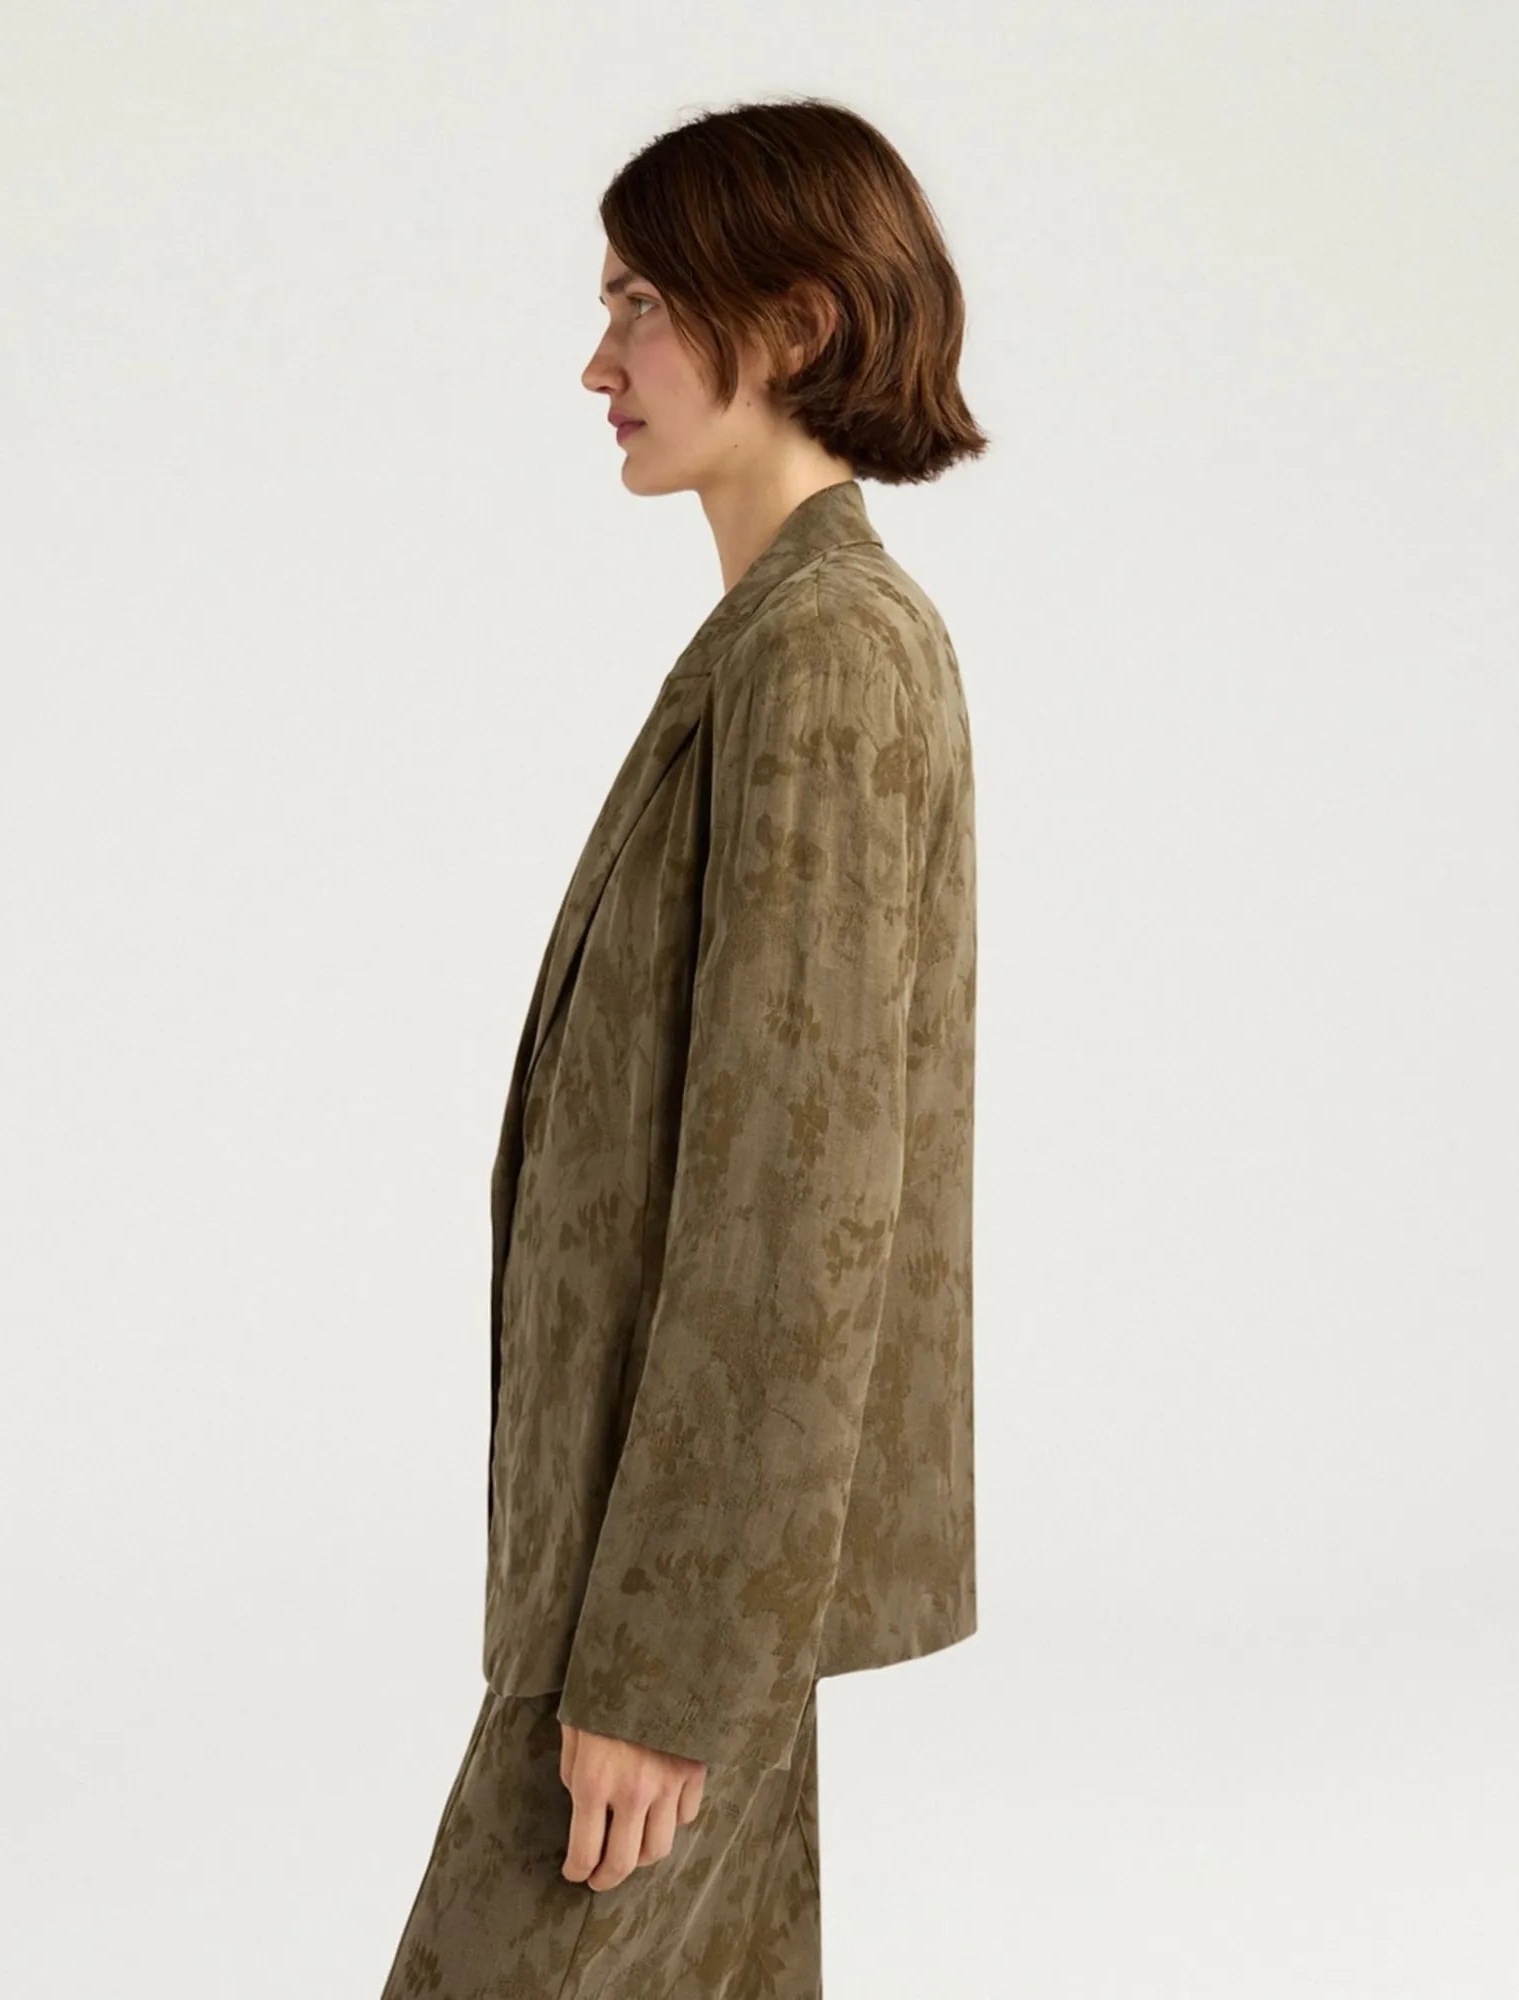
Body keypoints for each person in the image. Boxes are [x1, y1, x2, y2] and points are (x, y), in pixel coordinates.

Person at [378, 94, 987, 1998]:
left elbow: (798, 1199)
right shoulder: (782, 638)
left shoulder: (825, 652)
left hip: (666, 1610)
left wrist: (664, 1666)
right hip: (657, 1582)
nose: (599, 362)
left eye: (639, 303)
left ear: (794, 323)